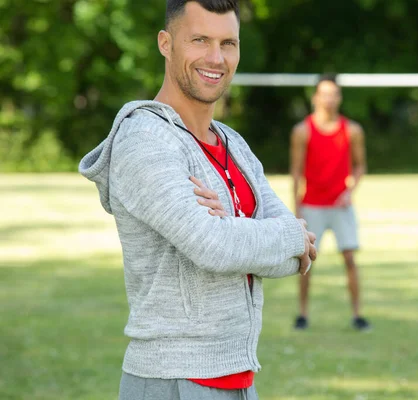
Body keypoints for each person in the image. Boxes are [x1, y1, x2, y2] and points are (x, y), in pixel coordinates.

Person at [79, 1, 317, 399]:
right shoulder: (144, 140)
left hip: (240, 381)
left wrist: (235, 231)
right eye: (199, 40)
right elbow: (214, 247)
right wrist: (268, 235)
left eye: (228, 43)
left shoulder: (233, 144)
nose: (215, 57)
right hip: (171, 381)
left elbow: (298, 253)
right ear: (166, 43)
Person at [289, 74, 369, 331]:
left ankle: (357, 315)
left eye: (333, 93)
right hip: (312, 205)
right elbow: (295, 172)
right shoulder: (302, 131)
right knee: (306, 262)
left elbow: (360, 167)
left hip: (340, 206)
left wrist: (351, 190)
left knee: (349, 259)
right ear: (315, 97)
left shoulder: (352, 130)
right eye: (324, 93)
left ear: (339, 97)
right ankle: (303, 314)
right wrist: (296, 210)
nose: (329, 99)